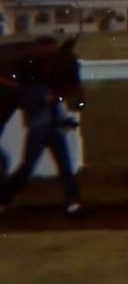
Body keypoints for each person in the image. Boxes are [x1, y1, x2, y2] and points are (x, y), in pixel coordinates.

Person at [0, 80, 81, 215]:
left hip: (52, 129)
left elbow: (57, 107)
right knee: (27, 167)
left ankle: (73, 201)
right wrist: (44, 99)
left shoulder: (47, 86)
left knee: (64, 166)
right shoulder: (30, 87)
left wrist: (64, 121)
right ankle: (3, 199)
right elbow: (27, 104)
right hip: (39, 130)